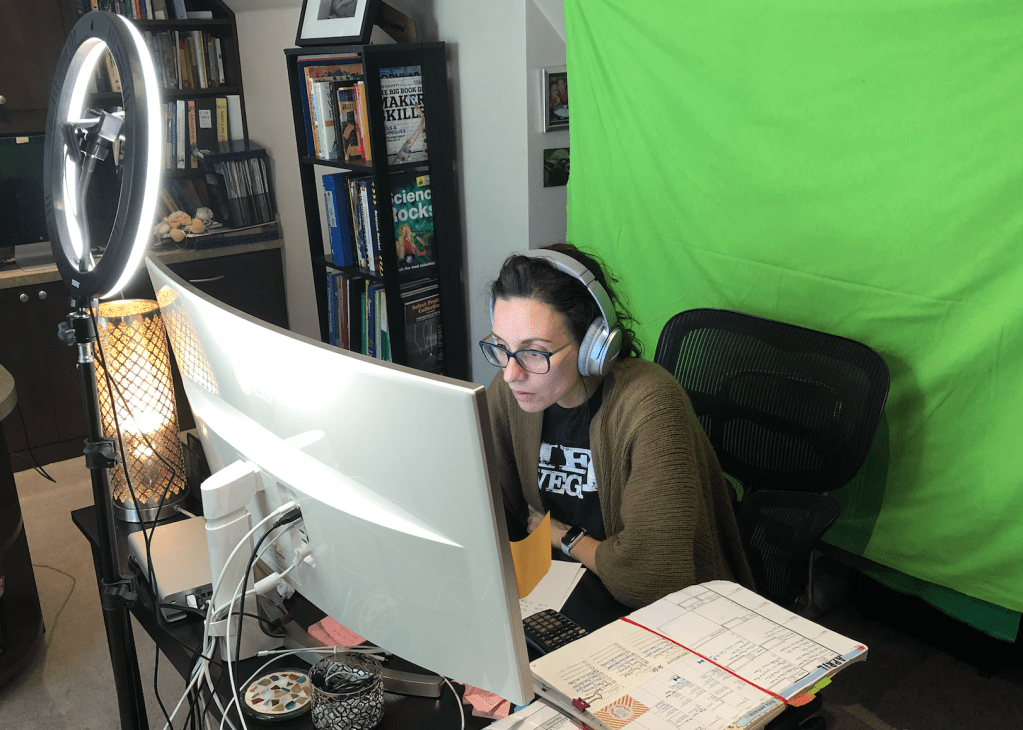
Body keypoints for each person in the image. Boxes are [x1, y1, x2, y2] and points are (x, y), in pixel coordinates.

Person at [482, 243, 754, 608]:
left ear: (593, 345)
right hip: (560, 588)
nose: (511, 373)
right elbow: (489, 507)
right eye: (502, 347)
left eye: (534, 352)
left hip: (661, 613)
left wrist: (565, 539)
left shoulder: (651, 406)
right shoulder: (512, 392)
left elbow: (651, 579)